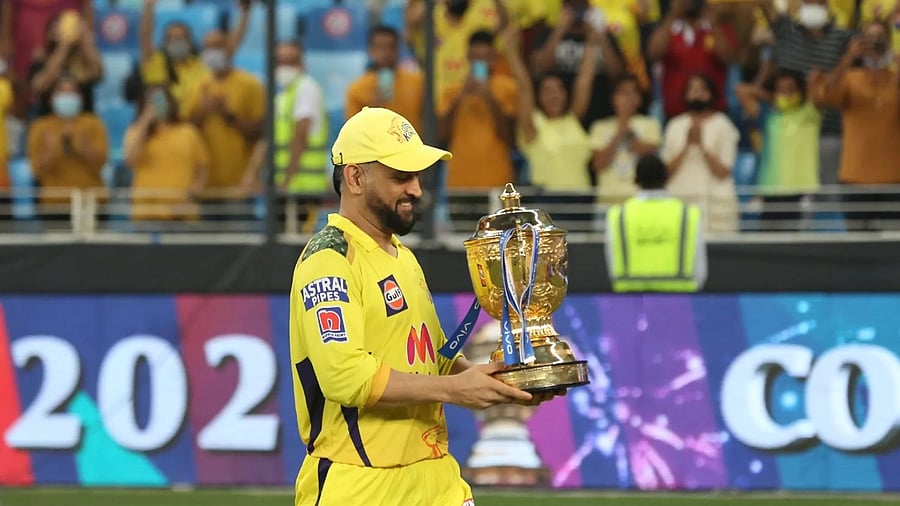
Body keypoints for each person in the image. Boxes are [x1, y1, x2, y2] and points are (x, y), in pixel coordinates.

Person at [290, 107, 559, 505]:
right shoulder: (328, 258)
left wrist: (502, 385)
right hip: (361, 486)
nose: (416, 189)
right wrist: (454, 390)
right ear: (355, 177)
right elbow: (345, 377)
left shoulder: (401, 256)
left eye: (417, 175)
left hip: (435, 476)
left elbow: (437, 357)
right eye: (401, 176)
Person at [812, 20, 900, 230]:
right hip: (855, 176)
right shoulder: (851, 78)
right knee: (858, 245)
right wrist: (848, 58)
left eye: (879, 39)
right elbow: (824, 98)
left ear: (888, 43)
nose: (874, 44)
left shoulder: (896, 78)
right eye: (869, 39)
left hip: (893, 177)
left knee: (894, 248)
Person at [605, 153, 707, 292]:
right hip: (679, 298)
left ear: (636, 180)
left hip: (630, 299)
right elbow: (700, 269)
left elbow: (612, 262)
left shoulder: (618, 215)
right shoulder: (687, 214)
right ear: (666, 178)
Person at [736, 68, 821, 231]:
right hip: (771, 189)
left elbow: (816, 88)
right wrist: (772, 98)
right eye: (781, 89)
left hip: (800, 189)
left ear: (800, 92)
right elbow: (741, 90)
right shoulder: (768, 117)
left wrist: (783, 95)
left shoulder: (810, 114)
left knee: (797, 243)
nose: (786, 94)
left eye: (791, 89)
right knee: (770, 242)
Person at [438, 30, 518, 189]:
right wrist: (458, 100)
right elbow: (441, 136)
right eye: (476, 57)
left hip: (497, 179)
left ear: (493, 57)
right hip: (459, 181)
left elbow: (510, 137)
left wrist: (490, 98)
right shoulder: (452, 91)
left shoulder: (507, 88)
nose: (480, 62)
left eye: (485, 57)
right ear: (468, 57)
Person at [661, 73, 740, 233]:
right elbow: (665, 172)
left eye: (702, 89)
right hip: (680, 202)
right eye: (692, 89)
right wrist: (687, 146)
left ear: (711, 94)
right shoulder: (675, 125)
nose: (696, 94)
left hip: (715, 208)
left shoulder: (723, 125)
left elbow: (723, 171)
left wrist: (701, 146)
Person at [27, 76, 108, 224]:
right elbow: (36, 170)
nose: (67, 97)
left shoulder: (93, 124)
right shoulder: (41, 127)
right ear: (52, 98)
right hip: (54, 205)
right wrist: (50, 152)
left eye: (72, 92)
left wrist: (85, 148)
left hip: (90, 203)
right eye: (62, 92)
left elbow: (101, 164)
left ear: (81, 98)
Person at [124, 86, 209, 222]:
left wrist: (190, 198)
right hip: (146, 214)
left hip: (182, 214)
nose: (157, 106)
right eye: (151, 102)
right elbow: (130, 160)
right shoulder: (135, 131)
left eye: (161, 100)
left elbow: (202, 171)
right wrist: (145, 123)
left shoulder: (188, 132)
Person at [647, 0, 737, 120]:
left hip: (713, 115)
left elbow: (728, 57)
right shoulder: (669, 29)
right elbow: (653, 54)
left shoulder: (718, 29)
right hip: (675, 114)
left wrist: (713, 23)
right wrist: (672, 15)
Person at [590, 74, 662, 205]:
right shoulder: (599, 127)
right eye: (623, 92)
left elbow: (650, 158)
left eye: (633, 92)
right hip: (608, 201)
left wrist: (629, 134)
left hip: (640, 200)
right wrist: (618, 135)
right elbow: (598, 164)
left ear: (639, 99)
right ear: (613, 98)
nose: (628, 98)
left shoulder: (651, 124)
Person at [345, 25, 424, 130]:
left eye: (391, 47)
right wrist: (371, 113)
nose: (385, 53)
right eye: (379, 47)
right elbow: (352, 131)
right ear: (370, 50)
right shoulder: (357, 89)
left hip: (414, 143)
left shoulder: (417, 82)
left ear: (397, 50)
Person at [29, 10, 102, 117]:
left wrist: (85, 41)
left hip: (83, 123)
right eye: (57, 27)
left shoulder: (84, 60)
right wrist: (64, 47)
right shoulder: (40, 60)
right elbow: (40, 86)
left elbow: (98, 73)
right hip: (49, 123)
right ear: (49, 33)